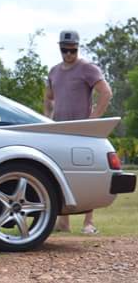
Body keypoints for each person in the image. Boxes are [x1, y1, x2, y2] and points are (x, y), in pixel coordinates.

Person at [44, 30, 112, 234]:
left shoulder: (87, 69)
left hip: (82, 131)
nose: (68, 54)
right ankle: (63, 222)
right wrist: (46, 119)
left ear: (77, 47)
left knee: (86, 173)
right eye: (64, 50)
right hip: (59, 130)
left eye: (71, 50)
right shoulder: (54, 71)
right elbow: (48, 98)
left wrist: (94, 119)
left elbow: (106, 92)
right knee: (60, 172)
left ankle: (88, 222)